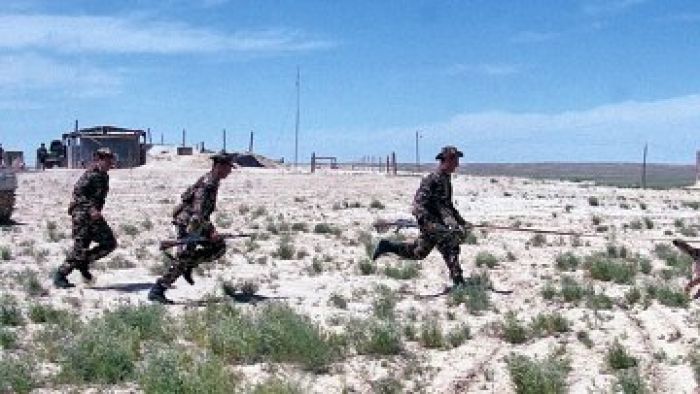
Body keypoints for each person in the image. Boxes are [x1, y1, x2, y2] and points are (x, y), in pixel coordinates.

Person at [372, 146, 471, 287]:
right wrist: (439, 224)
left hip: (438, 222)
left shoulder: (446, 180)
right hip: (429, 220)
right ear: (446, 160)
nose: (457, 164)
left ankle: (386, 246)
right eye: (455, 160)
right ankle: (458, 281)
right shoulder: (433, 179)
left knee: (418, 252)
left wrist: (461, 222)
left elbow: (447, 205)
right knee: (450, 243)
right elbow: (426, 205)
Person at [148, 151, 235, 304]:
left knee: (219, 247)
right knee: (184, 258)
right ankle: (158, 289)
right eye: (228, 167)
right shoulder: (207, 184)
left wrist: (210, 230)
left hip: (198, 223)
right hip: (188, 224)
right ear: (219, 166)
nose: (230, 171)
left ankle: (188, 264)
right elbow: (197, 214)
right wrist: (211, 230)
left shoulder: (213, 181)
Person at [53, 148, 118, 288]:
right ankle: (60, 275)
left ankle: (83, 262)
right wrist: (91, 209)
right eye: (107, 159)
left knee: (109, 243)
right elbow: (78, 193)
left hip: (93, 216)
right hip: (82, 215)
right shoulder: (91, 174)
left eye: (110, 159)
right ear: (99, 159)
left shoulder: (104, 175)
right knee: (80, 248)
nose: (110, 162)